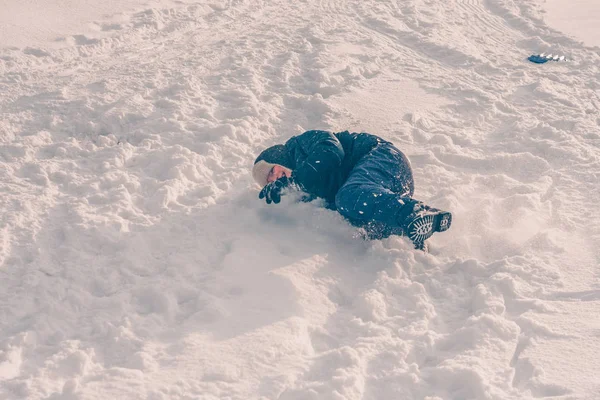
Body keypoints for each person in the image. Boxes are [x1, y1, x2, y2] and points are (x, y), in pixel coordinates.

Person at [252, 130, 452, 250]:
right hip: (385, 189)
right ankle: (412, 234)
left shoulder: (301, 145)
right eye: (269, 181)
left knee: (349, 196)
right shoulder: (305, 189)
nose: (274, 178)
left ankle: (416, 212)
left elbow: (331, 151)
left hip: (383, 157)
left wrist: (296, 181)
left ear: (278, 158)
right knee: (359, 222)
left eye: (271, 171)